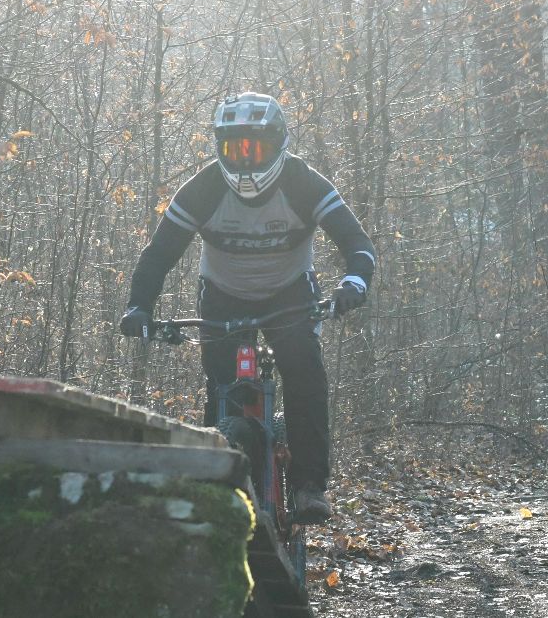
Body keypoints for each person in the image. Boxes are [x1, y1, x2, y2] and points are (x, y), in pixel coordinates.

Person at [119, 92, 376, 522]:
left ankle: (309, 486)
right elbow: (159, 254)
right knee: (220, 384)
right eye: (233, 148)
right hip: (222, 293)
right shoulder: (203, 189)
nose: (245, 160)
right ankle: (215, 483)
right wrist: (138, 307)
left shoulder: (304, 183)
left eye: (254, 147)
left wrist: (353, 282)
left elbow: (357, 244)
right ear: (218, 148)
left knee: (303, 370)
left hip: (290, 293)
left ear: (279, 145)